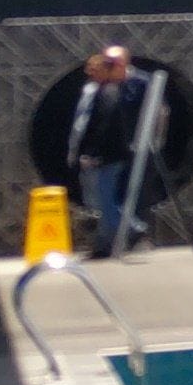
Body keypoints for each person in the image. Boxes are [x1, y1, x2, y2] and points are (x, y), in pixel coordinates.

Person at [67, 45, 152, 258]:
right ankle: (107, 242)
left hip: (111, 155)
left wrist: (93, 153)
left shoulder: (112, 92)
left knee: (106, 199)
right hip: (109, 154)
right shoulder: (102, 91)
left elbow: (104, 128)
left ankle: (132, 229)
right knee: (102, 200)